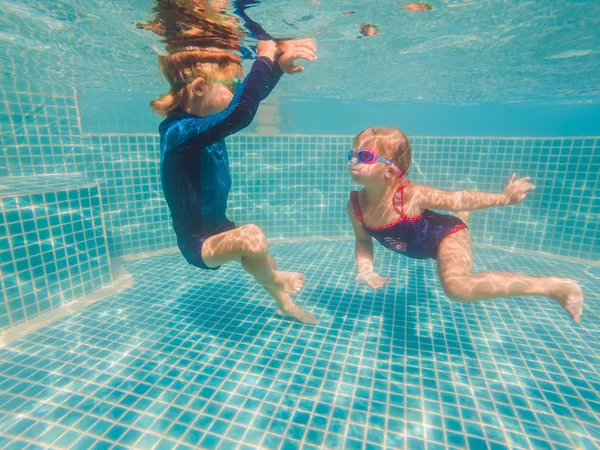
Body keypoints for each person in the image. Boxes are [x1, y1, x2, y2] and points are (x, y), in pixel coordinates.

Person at [151, 31, 318, 324]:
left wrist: (278, 65)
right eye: (229, 85)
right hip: (198, 242)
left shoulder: (203, 124)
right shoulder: (179, 133)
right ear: (200, 88)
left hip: (220, 226)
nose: (235, 90)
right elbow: (240, 112)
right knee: (252, 238)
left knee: (259, 256)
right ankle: (277, 280)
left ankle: (284, 305)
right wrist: (265, 55)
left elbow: (248, 97)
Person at [346, 127, 584, 323]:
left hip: (447, 235)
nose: (354, 161)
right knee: (458, 219)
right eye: (352, 155)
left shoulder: (411, 196)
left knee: (456, 288)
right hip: (421, 243)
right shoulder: (356, 205)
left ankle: (555, 287)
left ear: (390, 170)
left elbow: (458, 198)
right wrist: (366, 269)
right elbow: (363, 240)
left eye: (365, 156)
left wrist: (504, 198)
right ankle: (463, 216)